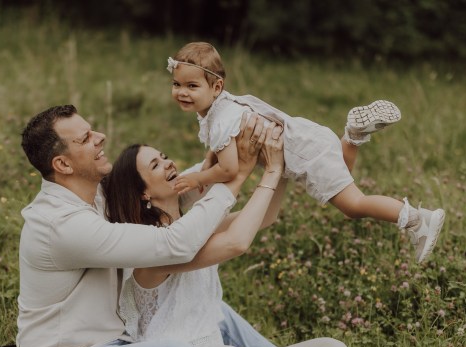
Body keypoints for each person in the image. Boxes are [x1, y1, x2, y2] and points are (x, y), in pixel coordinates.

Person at [17, 104, 320, 347]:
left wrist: (225, 154)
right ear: (63, 164)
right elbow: (177, 244)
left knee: (210, 309)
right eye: (85, 138)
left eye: (92, 130)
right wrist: (236, 180)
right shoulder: (60, 224)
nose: (100, 138)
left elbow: (160, 185)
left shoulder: (91, 194)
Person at [102, 133, 389, 347]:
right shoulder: (152, 250)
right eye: (155, 164)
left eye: (164, 155)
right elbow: (237, 243)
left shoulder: (192, 230)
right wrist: (262, 172)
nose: (168, 162)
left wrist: (280, 164)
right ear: (144, 193)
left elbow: (263, 218)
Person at [167, 41, 445, 264]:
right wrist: (206, 166)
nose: (182, 92)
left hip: (303, 155)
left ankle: (419, 220)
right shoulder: (222, 108)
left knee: (353, 206)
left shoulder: (220, 120)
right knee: (343, 178)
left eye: (192, 86)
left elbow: (228, 169)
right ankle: (352, 137)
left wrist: (196, 180)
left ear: (216, 87)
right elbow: (219, 153)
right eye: (177, 84)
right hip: (308, 139)